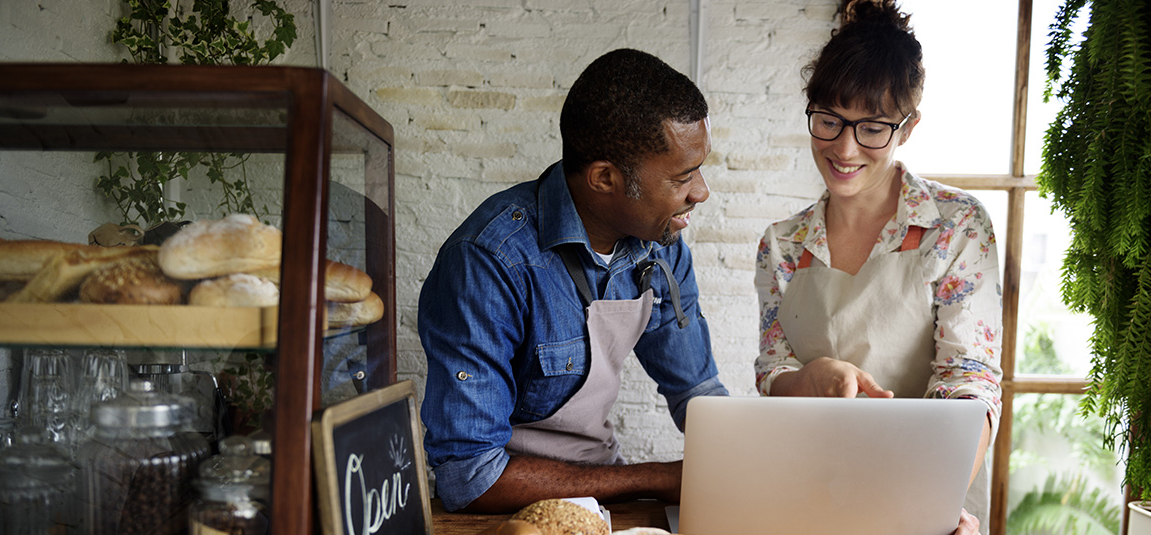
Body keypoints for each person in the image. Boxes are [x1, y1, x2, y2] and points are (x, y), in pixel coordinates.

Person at [418, 48, 728, 514]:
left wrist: (745, 459)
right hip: (506, 509)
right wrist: (661, 479)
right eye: (683, 176)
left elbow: (696, 393)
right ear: (605, 178)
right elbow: (471, 476)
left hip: (601, 487)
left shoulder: (659, 244)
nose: (701, 192)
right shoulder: (489, 261)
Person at [753, 1, 1002, 534]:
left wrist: (926, 498)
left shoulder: (955, 227)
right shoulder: (782, 244)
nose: (844, 148)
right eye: (829, 121)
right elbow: (772, 371)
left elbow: (968, 382)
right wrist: (809, 379)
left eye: (872, 128)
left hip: (918, 494)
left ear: (907, 128)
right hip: (802, 491)